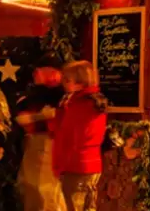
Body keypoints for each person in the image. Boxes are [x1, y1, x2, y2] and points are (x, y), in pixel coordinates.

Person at [52, 61, 107, 211]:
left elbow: (69, 137)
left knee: (74, 205)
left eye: (67, 80)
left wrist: (60, 165)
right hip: (90, 163)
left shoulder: (81, 106)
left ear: (81, 82)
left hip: (76, 165)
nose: (63, 83)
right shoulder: (91, 102)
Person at [16, 61, 65, 211]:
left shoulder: (64, 97)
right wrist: (40, 116)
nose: (36, 72)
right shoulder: (31, 96)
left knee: (49, 192)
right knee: (33, 189)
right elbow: (20, 119)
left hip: (51, 146)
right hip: (35, 147)